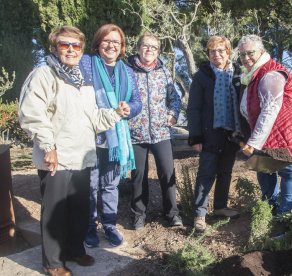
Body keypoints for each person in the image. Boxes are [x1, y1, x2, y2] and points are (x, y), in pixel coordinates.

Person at [19, 26, 130, 276]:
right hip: (56, 157)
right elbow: (32, 114)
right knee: (55, 214)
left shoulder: (82, 79)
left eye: (75, 45)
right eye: (64, 45)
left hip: (82, 157)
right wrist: (48, 146)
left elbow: (92, 118)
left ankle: (74, 250)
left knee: (79, 210)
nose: (70, 50)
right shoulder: (44, 74)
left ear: (81, 49)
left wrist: (114, 114)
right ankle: (54, 263)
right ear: (55, 47)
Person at [237, 34, 292, 215]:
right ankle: (269, 208)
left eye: (250, 53)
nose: (246, 58)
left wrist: (253, 143)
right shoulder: (250, 76)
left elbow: (269, 110)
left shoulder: (271, 75)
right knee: (265, 170)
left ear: (261, 51)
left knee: (290, 174)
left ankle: (287, 220)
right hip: (273, 136)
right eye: (242, 55)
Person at [80, 24, 142, 248]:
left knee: (110, 185)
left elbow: (137, 102)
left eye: (116, 42)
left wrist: (129, 109)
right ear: (98, 43)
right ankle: (89, 227)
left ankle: (109, 225)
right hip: (93, 136)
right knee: (90, 184)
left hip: (117, 138)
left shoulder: (127, 71)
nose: (111, 45)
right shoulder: (87, 63)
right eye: (107, 41)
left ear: (122, 46)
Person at [126, 32, 183, 229]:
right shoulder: (127, 70)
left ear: (158, 51)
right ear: (139, 48)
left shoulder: (164, 71)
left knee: (167, 173)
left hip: (160, 132)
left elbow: (174, 97)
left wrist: (173, 114)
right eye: (146, 45)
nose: (150, 49)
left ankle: (172, 214)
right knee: (138, 176)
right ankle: (139, 215)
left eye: (154, 47)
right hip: (135, 133)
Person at [187, 36, 242, 232]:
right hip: (209, 133)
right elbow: (193, 108)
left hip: (232, 133)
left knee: (225, 172)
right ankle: (199, 215)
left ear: (228, 52)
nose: (216, 54)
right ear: (208, 54)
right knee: (206, 173)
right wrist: (195, 136)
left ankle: (219, 207)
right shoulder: (202, 76)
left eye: (220, 50)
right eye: (212, 51)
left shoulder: (238, 74)